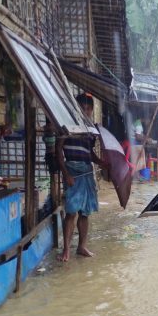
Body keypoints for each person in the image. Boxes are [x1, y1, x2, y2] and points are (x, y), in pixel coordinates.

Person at [56, 93, 104, 262]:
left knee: (85, 212)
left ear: (91, 110)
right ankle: (66, 250)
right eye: (82, 107)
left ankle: (81, 246)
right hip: (72, 170)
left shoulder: (91, 130)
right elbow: (59, 151)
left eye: (88, 108)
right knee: (71, 212)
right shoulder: (66, 126)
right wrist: (66, 174)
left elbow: (90, 153)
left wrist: (102, 163)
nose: (86, 111)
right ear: (76, 108)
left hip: (87, 171)